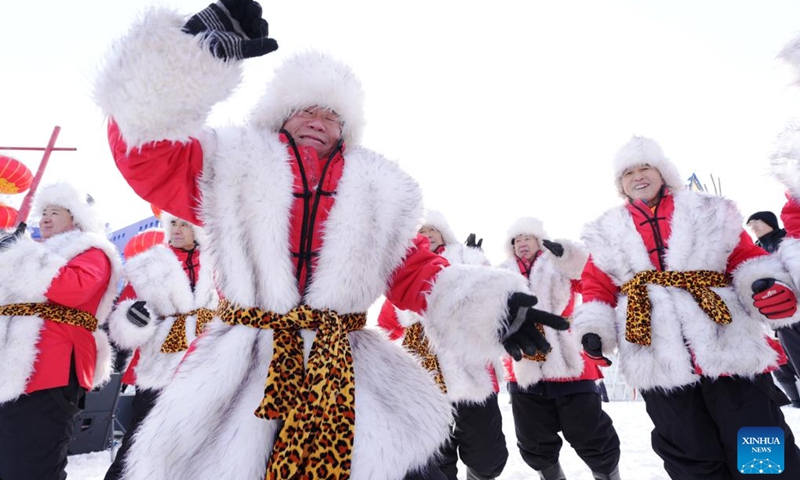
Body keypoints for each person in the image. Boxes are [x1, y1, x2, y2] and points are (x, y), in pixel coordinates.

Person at [94, 2, 567, 479]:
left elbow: (417, 270)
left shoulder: (379, 189)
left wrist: (491, 307)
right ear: (279, 115)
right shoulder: (228, 161)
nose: (318, 119)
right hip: (242, 364)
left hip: (344, 362)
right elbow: (145, 153)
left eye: (332, 114)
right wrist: (184, 60)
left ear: (347, 128)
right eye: (305, 109)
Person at [572, 135, 800, 479]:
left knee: (759, 444)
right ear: (621, 184)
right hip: (655, 356)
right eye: (628, 172)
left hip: (727, 346)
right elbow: (596, 286)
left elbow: (745, 258)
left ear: (663, 171)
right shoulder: (605, 230)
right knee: (688, 453)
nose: (638, 176)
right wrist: (594, 330)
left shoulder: (708, 210)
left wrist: (765, 285)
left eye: (645, 167)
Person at [0, 182, 122, 480]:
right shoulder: (38, 251)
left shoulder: (92, 250)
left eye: (54, 212)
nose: (44, 219)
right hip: (11, 370)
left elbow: (72, 289)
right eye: (42, 212)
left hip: (53, 369)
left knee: (33, 464)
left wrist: (22, 254)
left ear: (77, 217)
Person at [378, 210, 508, 480]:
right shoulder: (401, 273)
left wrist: (477, 262)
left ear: (444, 234)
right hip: (425, 375)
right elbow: (388, 324)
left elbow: (492, 298)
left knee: (487, 455)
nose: (426, 235)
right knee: (436, 456)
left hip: (469, 367)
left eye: (432, 230)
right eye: (421, 232)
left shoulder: (466, 259)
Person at [498, 217, 621, 480]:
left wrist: (569, 257)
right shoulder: (502, 273)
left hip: (568, 357)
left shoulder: (557, 264)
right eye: (516, 240)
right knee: (533, 439)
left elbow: (587, 278)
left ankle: (608, 475)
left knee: (588, 431)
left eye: (527, 238)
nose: (521, 243)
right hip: (524, 361)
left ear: (539, 240)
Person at [104, 213, 218, 480]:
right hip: (160, 362)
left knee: (196, 442)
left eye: (184, 224)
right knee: (139, 439)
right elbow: (122, 313)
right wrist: (133, 317)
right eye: (173, 224)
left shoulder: (220, 265)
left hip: (206, 362)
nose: (176, 230)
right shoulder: (146, 265)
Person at [745, 211, 800, 408]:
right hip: (775, 314)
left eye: (757, 221)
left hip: (795, 306)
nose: (753, 226)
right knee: (781, 360)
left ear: (770, 222)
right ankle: (795, 400)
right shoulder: (752, 250)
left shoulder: (787, 241)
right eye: (750, 224)